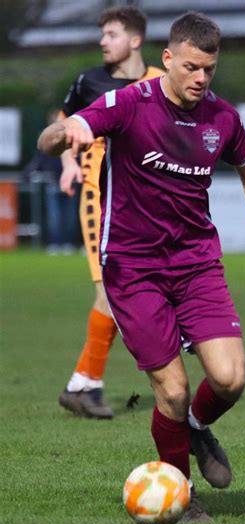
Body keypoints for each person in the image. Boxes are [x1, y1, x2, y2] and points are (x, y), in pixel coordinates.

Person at [38, 11, 245, 522]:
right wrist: (68, 136)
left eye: (209, 70)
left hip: (197, 263)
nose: (201, 78)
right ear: (167, 59)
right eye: (192, 67)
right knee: (170, 391)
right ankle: (182, 491)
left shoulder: (222, 118)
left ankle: (195, 426)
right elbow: (62, 132)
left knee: (231, 379)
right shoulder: (130, 103)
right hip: (134, 268)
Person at [57, 6, 164, 419]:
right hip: (99, 197)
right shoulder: (90, 81)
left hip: (144, 204)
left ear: (135, 40)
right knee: (108, 289)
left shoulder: (159, 82)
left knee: (125, 293)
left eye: (112, 33)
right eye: (102, 33)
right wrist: (69, 162)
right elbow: (66, 122)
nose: (103, 40)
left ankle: (83, 383)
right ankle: (85, 384)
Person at [24, 109, 80, 255]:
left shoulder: (73, 139)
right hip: (53, 183)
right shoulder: (47, 142)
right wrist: (28, 174)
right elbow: (38, 162)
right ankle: (56, 243)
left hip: (70, 184)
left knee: (70, 217)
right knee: (54, 217)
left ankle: (68, 244)